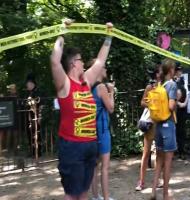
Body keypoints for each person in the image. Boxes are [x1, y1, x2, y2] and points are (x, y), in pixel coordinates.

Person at [50, 20, 113, 200]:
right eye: (81, 60)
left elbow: (101, 61)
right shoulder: (65, 83)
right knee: (72, 195)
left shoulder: (86, 80)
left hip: (90, 146)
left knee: (84, 193)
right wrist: (62, 31)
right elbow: (55, 60)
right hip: (71, 148)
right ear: (73, 63)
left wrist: (109, 35)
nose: (84, 63)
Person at [151, 59, 177, 200]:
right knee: (167, 162)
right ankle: (166, 195)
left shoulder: (160, 85)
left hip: (158, 126)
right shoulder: (172, 85)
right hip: (168, 125)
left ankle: (153, 191)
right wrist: (176, 99)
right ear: (171, 70)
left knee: (159, 160)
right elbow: (171, 106)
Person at [90, 61, 115, 200]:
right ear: (99, 70)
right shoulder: (101, 87)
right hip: (103, 130)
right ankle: (106, 197)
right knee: (105, 166)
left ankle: (95, 196)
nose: (106, 69)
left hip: (91, 130)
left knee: (95, 165)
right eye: (104, 67)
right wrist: (111, 92)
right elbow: (111, 108)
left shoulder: (89, 87)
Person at [135, 64, 162, 191]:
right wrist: (151, 104)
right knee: (146, 153)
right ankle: (141, 182)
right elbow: (142, 102)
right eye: (161, 71)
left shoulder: (165, 87)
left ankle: (158, 180)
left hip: (160, 123)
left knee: (159, 152)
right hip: (150, 123)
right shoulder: (150, 87)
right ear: (157, 74)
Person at [174, 63, 188, 160]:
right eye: (178, 70)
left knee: (182, 130)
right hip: (174, 108)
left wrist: (184, 103)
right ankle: (174, 151)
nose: (180, 72)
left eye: (180, 70)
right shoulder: (172, 81)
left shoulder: (184, 80)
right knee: (174, 129)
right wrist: (178, 103)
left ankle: (181, 151)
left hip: (183, 109)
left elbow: (187, 93)